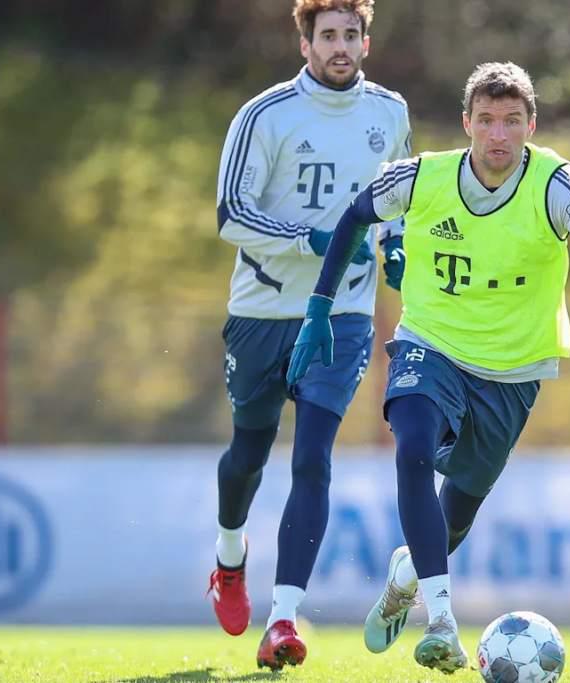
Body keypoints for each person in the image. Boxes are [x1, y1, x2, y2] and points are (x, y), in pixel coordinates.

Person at [287, 61, 570, 674]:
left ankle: (406, 576)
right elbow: (354, 216)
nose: (498, 135)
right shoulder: (422, 177)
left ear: (531, 125)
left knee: (458, 511)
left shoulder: (555, 186)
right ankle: (444, 624)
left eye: (512, 121)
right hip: (430, 343)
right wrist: (319, 307)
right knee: (413, 448)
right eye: (486, 120)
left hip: (512, 371)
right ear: (467, 124)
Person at [206, 0, 410, 670]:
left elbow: (398, 202)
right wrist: (309, 239)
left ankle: (283, 617)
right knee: (248, 453)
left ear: (367, 42)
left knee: (313, 457)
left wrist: (397, 246)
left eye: (351, 35)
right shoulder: (265, 116)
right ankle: (229, 559)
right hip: (263, 312)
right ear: (304, 44)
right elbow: (231, 214)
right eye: (327, 36)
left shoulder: (389, 112)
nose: (340, 47)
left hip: (345, 314)